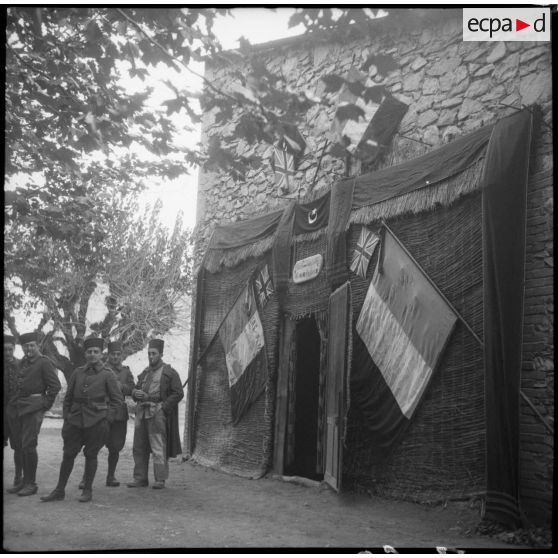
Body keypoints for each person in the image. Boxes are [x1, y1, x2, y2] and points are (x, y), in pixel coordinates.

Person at [40, 337, 123, 503]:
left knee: (91, 455)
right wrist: (67, 418)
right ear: (85, 354)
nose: (92, 354)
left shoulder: (108, 374)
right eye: (89, 352)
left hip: (97, 422)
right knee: (68, 455)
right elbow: (68, 398)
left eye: (96, 352)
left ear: (101, 354)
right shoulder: (77, 372)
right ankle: (59, 490)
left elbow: (117, 401)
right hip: (75, 421)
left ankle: (87, 490)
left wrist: (107, 419)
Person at [5, 331, 61, 496]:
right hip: (18, 408)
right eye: (25, 346)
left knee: (29, 446)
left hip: (33, 408)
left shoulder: (44, 362)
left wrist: (44, 405)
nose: (28, 349)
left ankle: (31, 484)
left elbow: (55, 386)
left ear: (37, 346)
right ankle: (23, 481)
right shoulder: (22, 363)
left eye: (31, 346)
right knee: (21, 446)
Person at [127, 339, 183, 489]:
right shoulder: (145, 372)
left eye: (154, 353)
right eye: (149, 354)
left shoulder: (169, 373)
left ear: (161, 354)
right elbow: (136, 388)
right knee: (139, 446)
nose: (151, 356)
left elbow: (178, 393)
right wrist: (135, 393)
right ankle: (140, 478)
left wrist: (163, 408)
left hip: (156, 413)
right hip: (141, 413)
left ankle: (160, 479)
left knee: (158, 446)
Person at [78, 340, 134, 488]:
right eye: (112, 354)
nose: (115, 357)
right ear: (107, 355)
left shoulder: (126, 371)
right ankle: (85, 479)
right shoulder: (100, 369)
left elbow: (132, 389)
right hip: (100, 412)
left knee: (115, 447)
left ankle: (111, 476)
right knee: (92, 446)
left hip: (119, 414)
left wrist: (121, 386)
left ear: (121, 355)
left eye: (118, 354)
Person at [4, 335, 22, 489]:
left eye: (10, 349)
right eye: (5, 350)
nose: (7, 352)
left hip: (16, 412)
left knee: (18, 446)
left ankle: (18, 476)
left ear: (14, 349)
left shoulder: (21, 365)